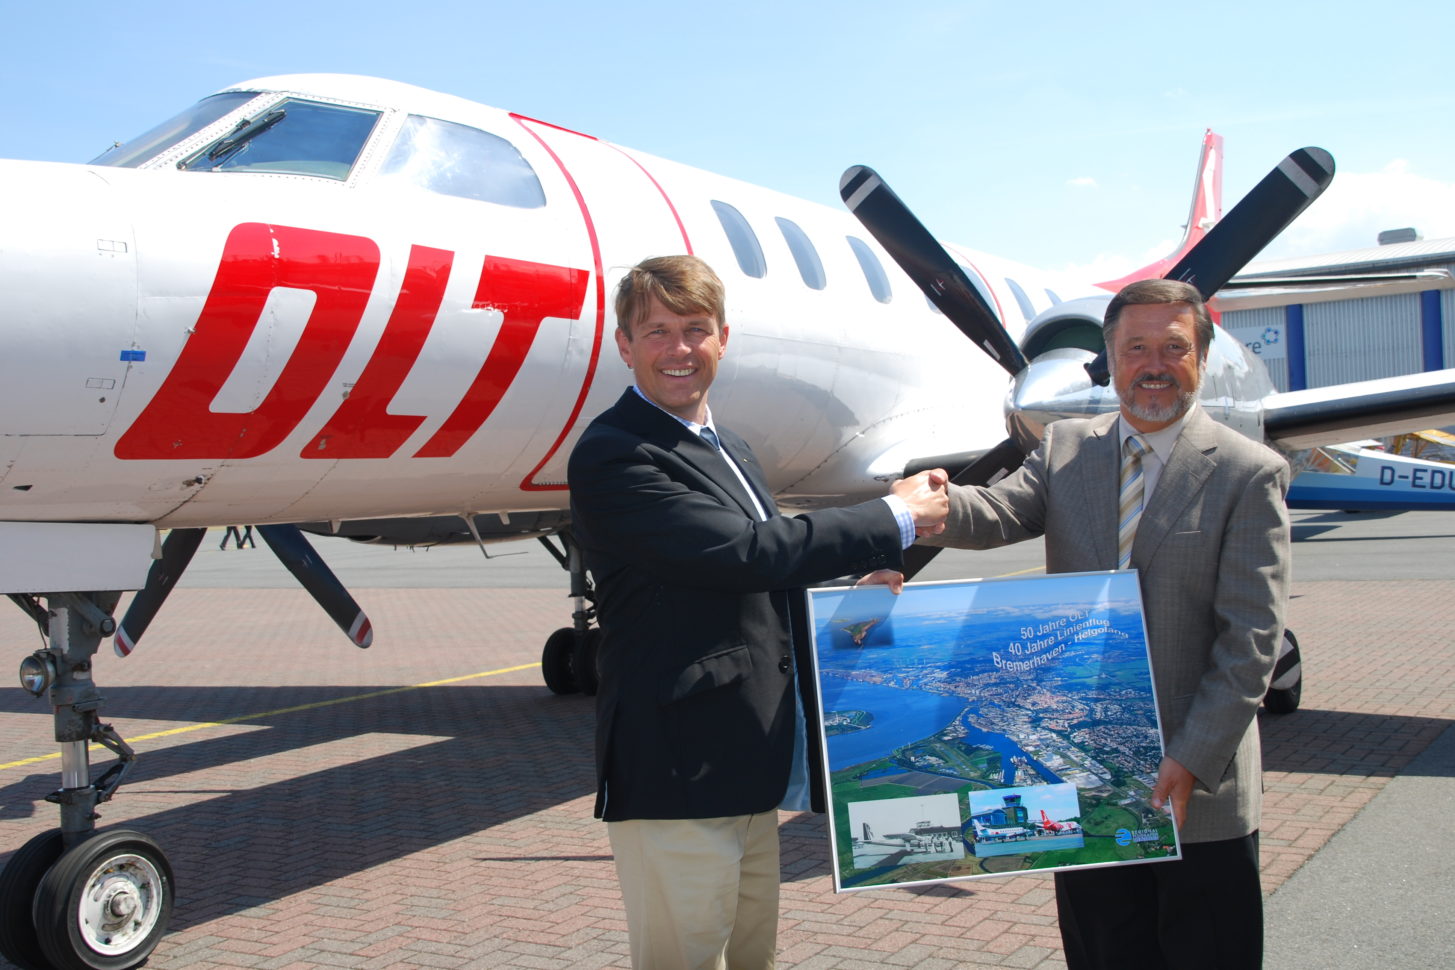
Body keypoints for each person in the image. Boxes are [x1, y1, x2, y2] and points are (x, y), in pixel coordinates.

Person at [567, 254, 948, 970]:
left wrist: (851, 594)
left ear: (722, 338)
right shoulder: (616, 455)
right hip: (673, 770)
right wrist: (894, 514)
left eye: (695, 329)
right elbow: (745, 552)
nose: (679, 350)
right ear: (623, 344)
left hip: (745, 761)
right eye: (656, 332)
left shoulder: (727, 446)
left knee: (750, 956)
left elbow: (757, 582)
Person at [918, 277, 1291, 969]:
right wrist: (921, 513)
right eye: (1135, 347)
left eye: (1173, 347)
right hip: (1083, 771)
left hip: (1197, 785)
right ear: (1110, 359)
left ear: (1200, 359)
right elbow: (998, 512)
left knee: (1209, 952)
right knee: (1101, 951)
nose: (1153, 364)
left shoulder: (1248, 473)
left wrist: (1189, 759)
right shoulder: (1065, 449)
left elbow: (1250, 644)